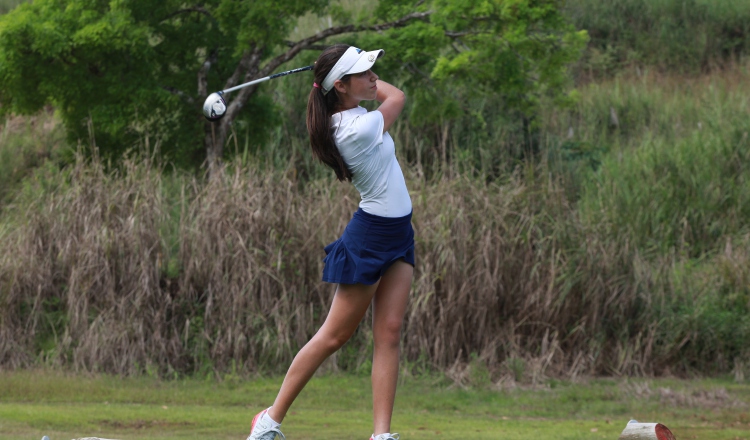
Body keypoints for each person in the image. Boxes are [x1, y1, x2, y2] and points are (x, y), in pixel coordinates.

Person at [245, 44, 414, 440]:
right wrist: (345, 80)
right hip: (371, 237)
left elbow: (373, 91)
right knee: (334, 336)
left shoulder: (353, 113)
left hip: (400, 233)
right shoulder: (357, 128)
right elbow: (397, 96)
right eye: (365, 72)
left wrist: (345, 77)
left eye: (373, 69)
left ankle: (381, 435)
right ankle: (268, 420)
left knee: (389, 331)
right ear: (341, 85)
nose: (374, 77)